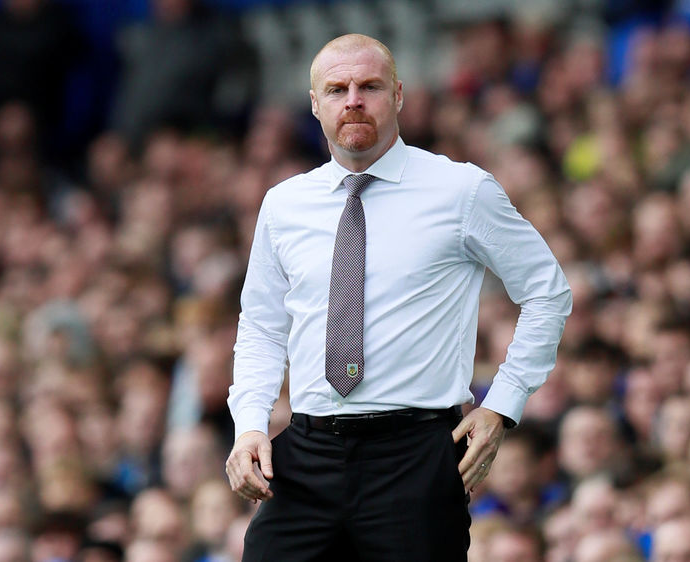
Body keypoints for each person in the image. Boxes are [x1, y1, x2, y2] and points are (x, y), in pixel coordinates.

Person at [225, 33, 571, 561]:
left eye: (370, 86)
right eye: (337, 89)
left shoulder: (461, 190)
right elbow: (262, 326)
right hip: (307, 451)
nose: (354, 100)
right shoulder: (284, 204)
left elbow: (547, 292)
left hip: (415, 455)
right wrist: (249, 423)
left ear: (400, 95)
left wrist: (502, 405)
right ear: (314, 104)